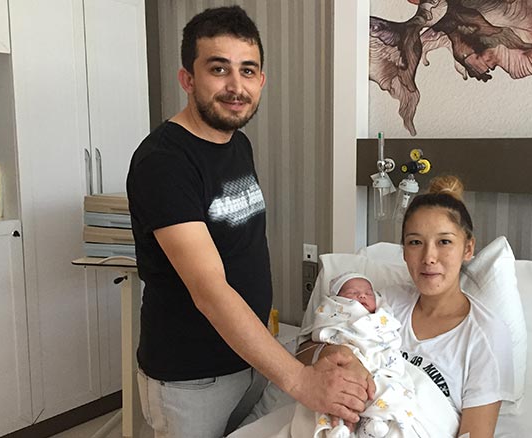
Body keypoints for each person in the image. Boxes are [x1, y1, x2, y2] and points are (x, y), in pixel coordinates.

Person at [126, 6, 372, 437]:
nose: (236, 87)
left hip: (250, 356)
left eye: (248, 70)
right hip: (192, 379)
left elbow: (241, 249)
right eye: (218, 69)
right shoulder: (164, 163)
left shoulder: (237, 144)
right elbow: (210, 291)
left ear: (262, 80)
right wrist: (300, 379)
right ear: (187, 78)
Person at [298, 176, 515, 438]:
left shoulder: (486, 336)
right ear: (403, 251)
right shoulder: (381, 305)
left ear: (468, 248)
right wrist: (339, 354)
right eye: (415, 242)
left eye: (444, 242)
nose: (429, 257)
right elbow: (302, 354)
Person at [310, 272, 426, 438]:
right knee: (338, 393)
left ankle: (374, 420)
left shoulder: (382, 316)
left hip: (378, 363)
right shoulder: (335, 313)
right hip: (347, 359)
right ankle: (337, 428)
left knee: (392, 389)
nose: (362, 295)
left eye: (368, 293)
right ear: (337, 300)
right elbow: (317, 339)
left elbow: (391, 339)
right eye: (352, 293)